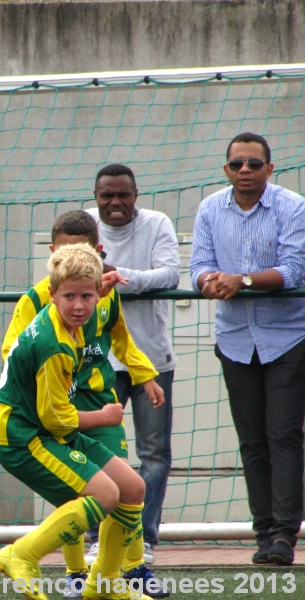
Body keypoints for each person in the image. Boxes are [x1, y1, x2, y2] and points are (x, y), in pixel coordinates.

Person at [1, 211, 168, 599]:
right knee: (88, 494)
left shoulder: (102, 300)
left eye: (87, 294)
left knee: (130, 486)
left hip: (93, 401)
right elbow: (17, 354)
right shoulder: (43, 317)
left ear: (98, 256)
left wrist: (144, 375)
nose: (79, 303)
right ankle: (72, 571)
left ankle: (125, 572)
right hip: (48, 415)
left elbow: (123, 341)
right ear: (53, 267)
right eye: (69, 294)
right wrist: (38, 377)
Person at [190, 132, 305, 566]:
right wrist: (209, 282)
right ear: (226, 169)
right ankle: (263, 533)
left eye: (254, 164)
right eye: (237, 164)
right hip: (235, 341)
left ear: (269, 169)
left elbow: (293, 271)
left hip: (288, 339)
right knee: (252, 442)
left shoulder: (293, 206)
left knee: (284, 436)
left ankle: (284, 535)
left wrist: (244, 280)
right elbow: (199, 265)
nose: (245, 171)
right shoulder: (209, 209)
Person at [85, 164, 179, 565]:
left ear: (136, 194)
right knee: (92, 450)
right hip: (96, 361)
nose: (115, 202)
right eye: (107, 195)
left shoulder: (157, 223)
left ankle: (146, 539)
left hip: (151, 359)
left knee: (154, 453)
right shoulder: (84, 224)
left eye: (123, 194)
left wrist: (120, 277)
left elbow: (171, 274)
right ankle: (95, 537)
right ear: (96, 197)